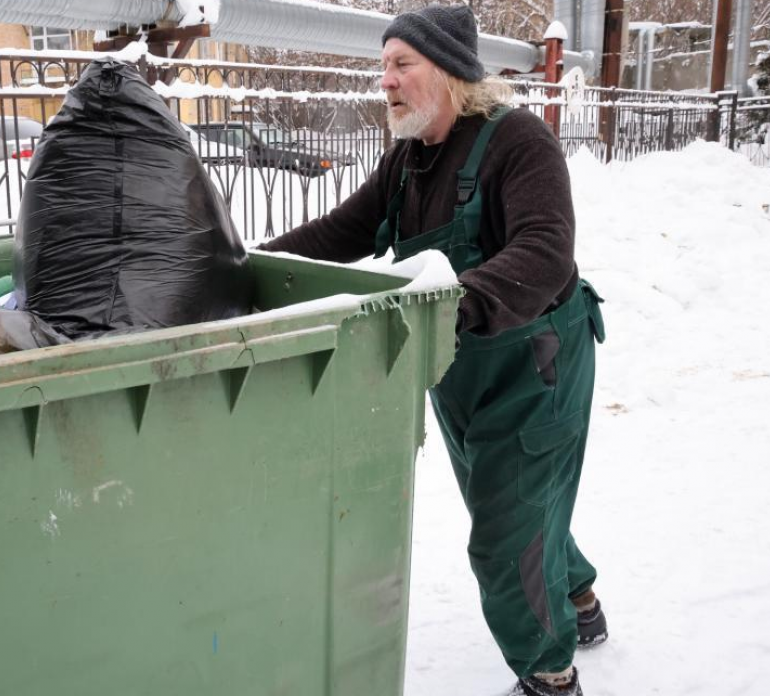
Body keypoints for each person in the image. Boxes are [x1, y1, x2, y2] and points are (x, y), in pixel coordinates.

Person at [257, 6, 608, 695]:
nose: (384, 81)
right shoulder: (409, 160)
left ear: (450, 72)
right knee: (512, 501)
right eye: (381, 66)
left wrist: (443, 306)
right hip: (456, 364)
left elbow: (542, 254)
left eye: (401, 65)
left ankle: (550, 673)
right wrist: (248, 266)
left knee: (506, 530)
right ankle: (579, 600)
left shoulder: (520, 143)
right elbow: (339, 233)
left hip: (536, 359)